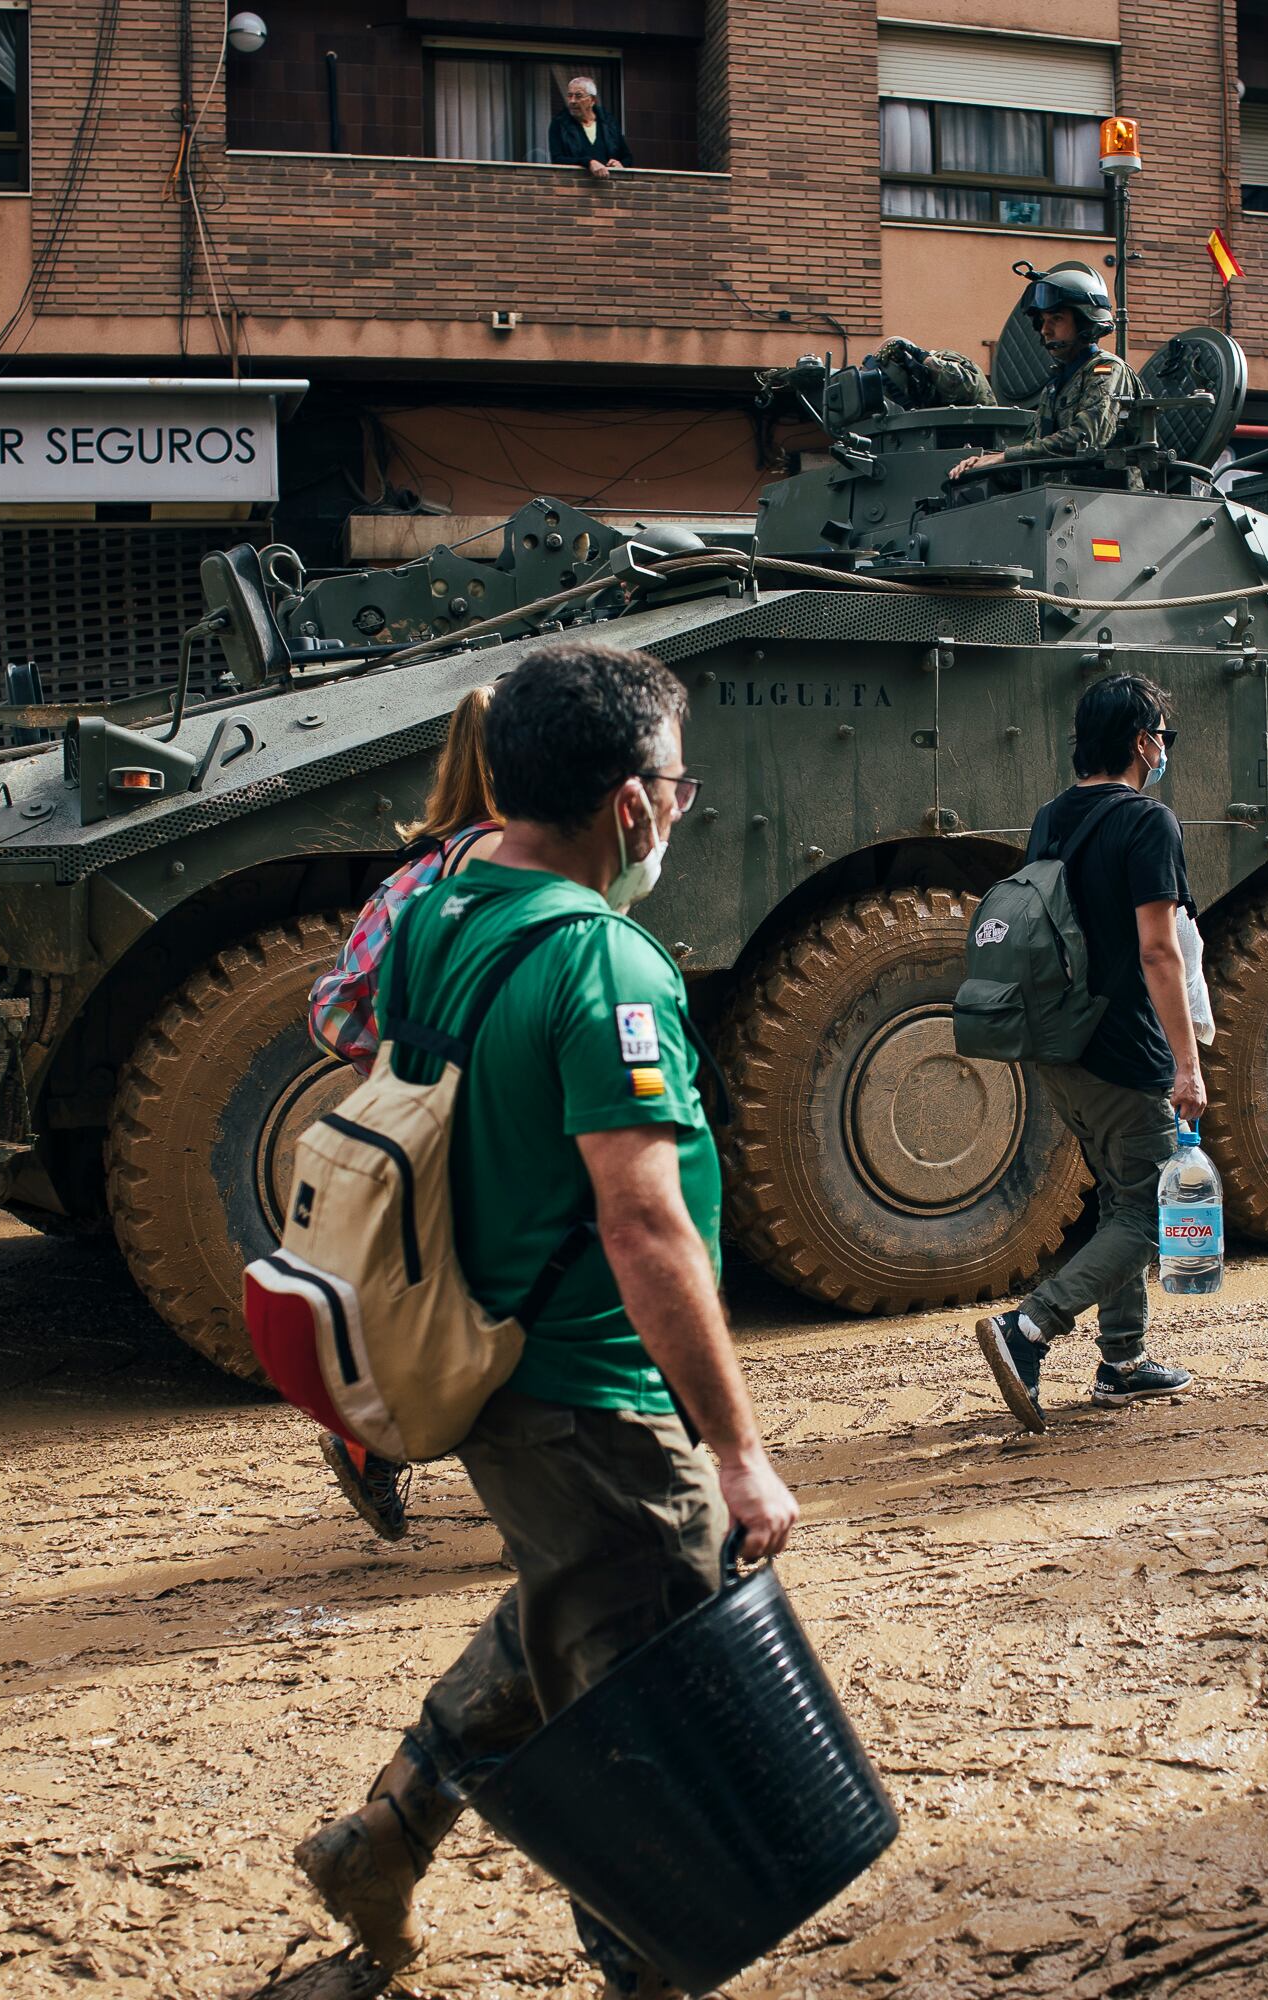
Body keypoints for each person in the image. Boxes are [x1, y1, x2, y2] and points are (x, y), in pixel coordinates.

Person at [291, 643, 797, 1999]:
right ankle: (646, 1966)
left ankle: (385, 1835)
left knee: (580, 1606)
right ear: (632, 804)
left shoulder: (437, 910)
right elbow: (644, 1227)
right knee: (654, 1720)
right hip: (590, 1390)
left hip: (498, 1369)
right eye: (681, 789)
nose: (684, 814)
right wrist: (738, 1451)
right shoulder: (606, 965)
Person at [969, 673, 1200, 1430]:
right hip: (1123, 1050)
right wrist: (1187, 1065)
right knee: (1158, 1212)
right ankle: (1029, 1328)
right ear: (1140, 741)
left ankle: (1124, 1361)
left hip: (1054, 1042)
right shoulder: (1147, 823)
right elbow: (1159, 953)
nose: (1163, 750)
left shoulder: (1050, 818)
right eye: (1161, 736)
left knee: (1119, 1195)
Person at [305, 687, 509, 1543]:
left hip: (412, 1116)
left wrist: (403, 1060)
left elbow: (335, 1008)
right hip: (487, 1121)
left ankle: (367, 1434)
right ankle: (543, 1520)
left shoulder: (418, 866)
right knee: (511, 1308)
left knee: (454, 1300)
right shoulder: (505, 860)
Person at [945, 265, 1139, 481]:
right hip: (1063, 498)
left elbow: (1085, 439)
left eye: (1056, 319)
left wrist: (1004, 458)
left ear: (1085, 321)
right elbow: (1034, 446)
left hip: (1106, 500)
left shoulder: (1107, 371)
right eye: (1043, 322)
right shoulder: (1056, 384)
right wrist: (984, 460)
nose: (1045, 330)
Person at [547, 75, 630, 176]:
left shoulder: (609, 123)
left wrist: (620, 164)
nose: (572, 101)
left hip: (609, 187)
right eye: (569, 95)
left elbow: (627, 157)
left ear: (592, 100)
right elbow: (557, 159)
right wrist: (588, 162)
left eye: (578, 96)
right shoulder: (559, 124)